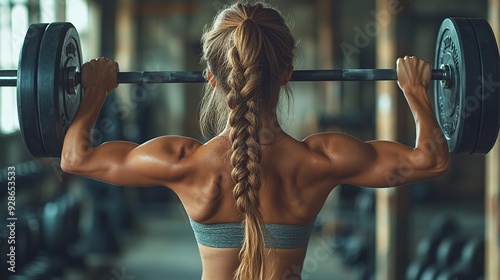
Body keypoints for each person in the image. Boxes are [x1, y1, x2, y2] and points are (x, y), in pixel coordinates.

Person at [61, 2, 450, 280]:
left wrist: (95, 91)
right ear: (287, 75)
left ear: (211, 79)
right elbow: (430, 161)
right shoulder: (323, 159)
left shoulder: (181, 161)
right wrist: (415, 90)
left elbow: (76, 158)